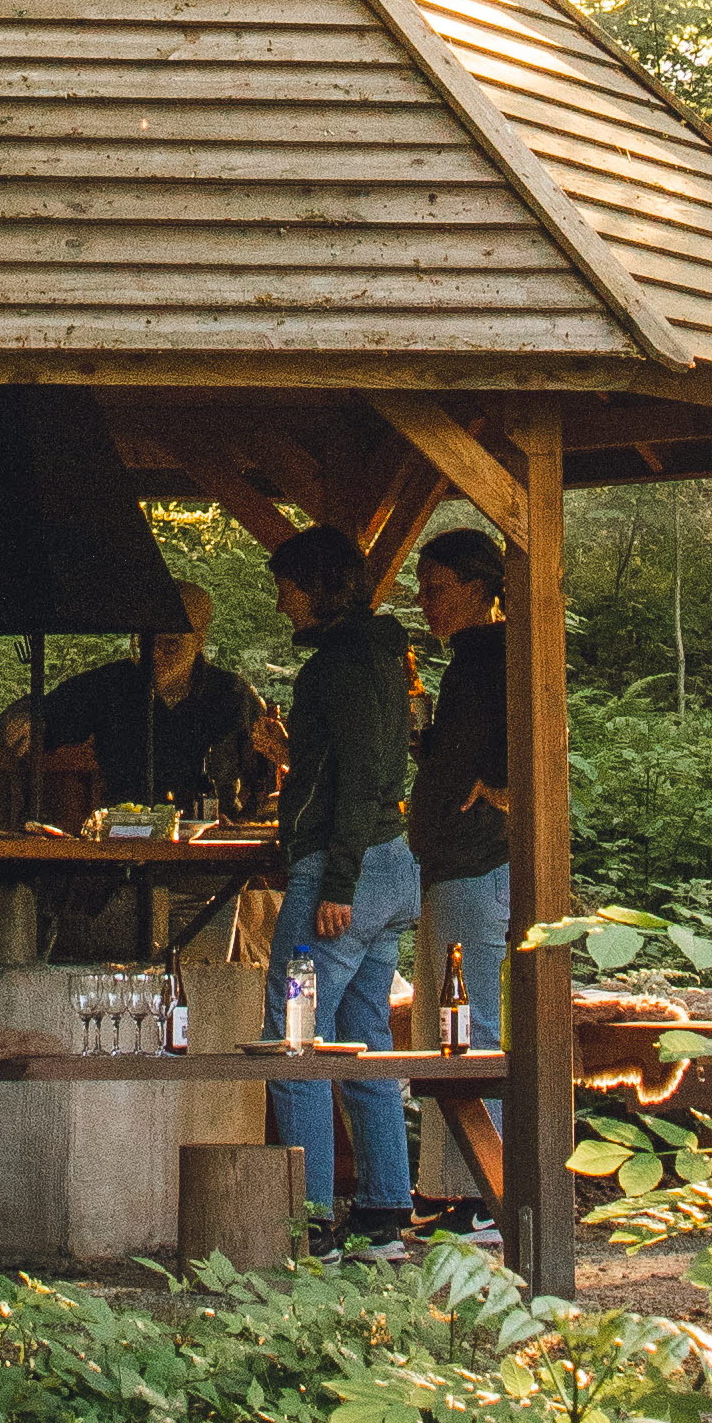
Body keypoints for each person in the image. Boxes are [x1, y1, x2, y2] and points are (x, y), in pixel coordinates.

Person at [261, 524, 420, 1252]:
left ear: (320, 587)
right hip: (390, 872)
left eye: (289, 585)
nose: (281, 599)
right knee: (364, 1037)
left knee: (293, 1041)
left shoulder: (338, 666)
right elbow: (356, 764)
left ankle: (311, 1216)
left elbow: (356, 777)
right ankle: (385, 1208)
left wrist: (337, 882)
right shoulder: (386, 657)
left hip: (342, 877)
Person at [403, 527, 516, 1241]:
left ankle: (484, 1191)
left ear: (477, 588)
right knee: (439, 1028)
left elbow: (526, 751)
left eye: (436, 587)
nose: (425, 601)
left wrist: (494, 790)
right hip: (451, 864)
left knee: (465, 1029)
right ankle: (447, 1191)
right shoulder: (471, 660)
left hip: (476, 864)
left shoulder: (497, 657)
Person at [0, 577, 274, 808]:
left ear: (200, 640)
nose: (154, 654)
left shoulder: (233, 694)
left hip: (211, 847)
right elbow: (47, 712)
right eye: (145, 642)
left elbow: (265, 777)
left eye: (171, 645)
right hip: (129, 836)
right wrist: (23, 719)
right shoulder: (111, 685)